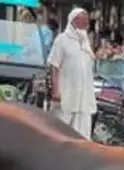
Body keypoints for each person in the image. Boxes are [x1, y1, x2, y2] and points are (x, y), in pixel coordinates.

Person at [48, 7, 95, 138]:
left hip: (84, 98)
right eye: (83, 20)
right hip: (66, 96)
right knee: (60, 133)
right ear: (74, 21)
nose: (86, 23)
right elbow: (55, 67)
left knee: (82, 137)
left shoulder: (85, 42)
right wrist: (55, 90)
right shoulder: (62, 40)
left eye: (87, 20)